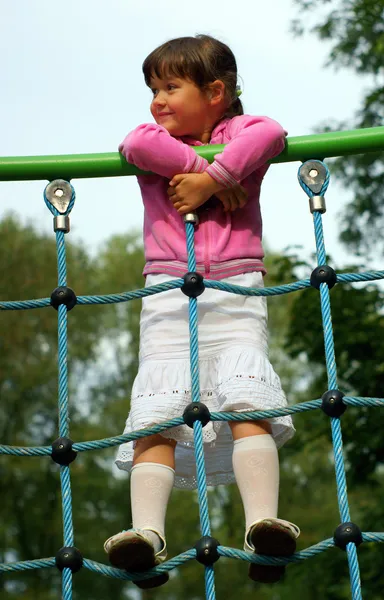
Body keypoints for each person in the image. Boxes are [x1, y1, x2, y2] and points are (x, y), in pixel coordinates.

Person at [104, 34, 300, 589]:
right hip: (167, 291)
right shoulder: (156, 140)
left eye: (171, 87)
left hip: (236, 288)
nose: (157, 101)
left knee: (245, 404)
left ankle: (264, 525)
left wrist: (216, 178)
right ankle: (147, 536)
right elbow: (135, 144)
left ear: (216, 92)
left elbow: (272, 133)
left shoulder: (240, 136)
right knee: (157, 414)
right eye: (153, 89)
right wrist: (197, 168)